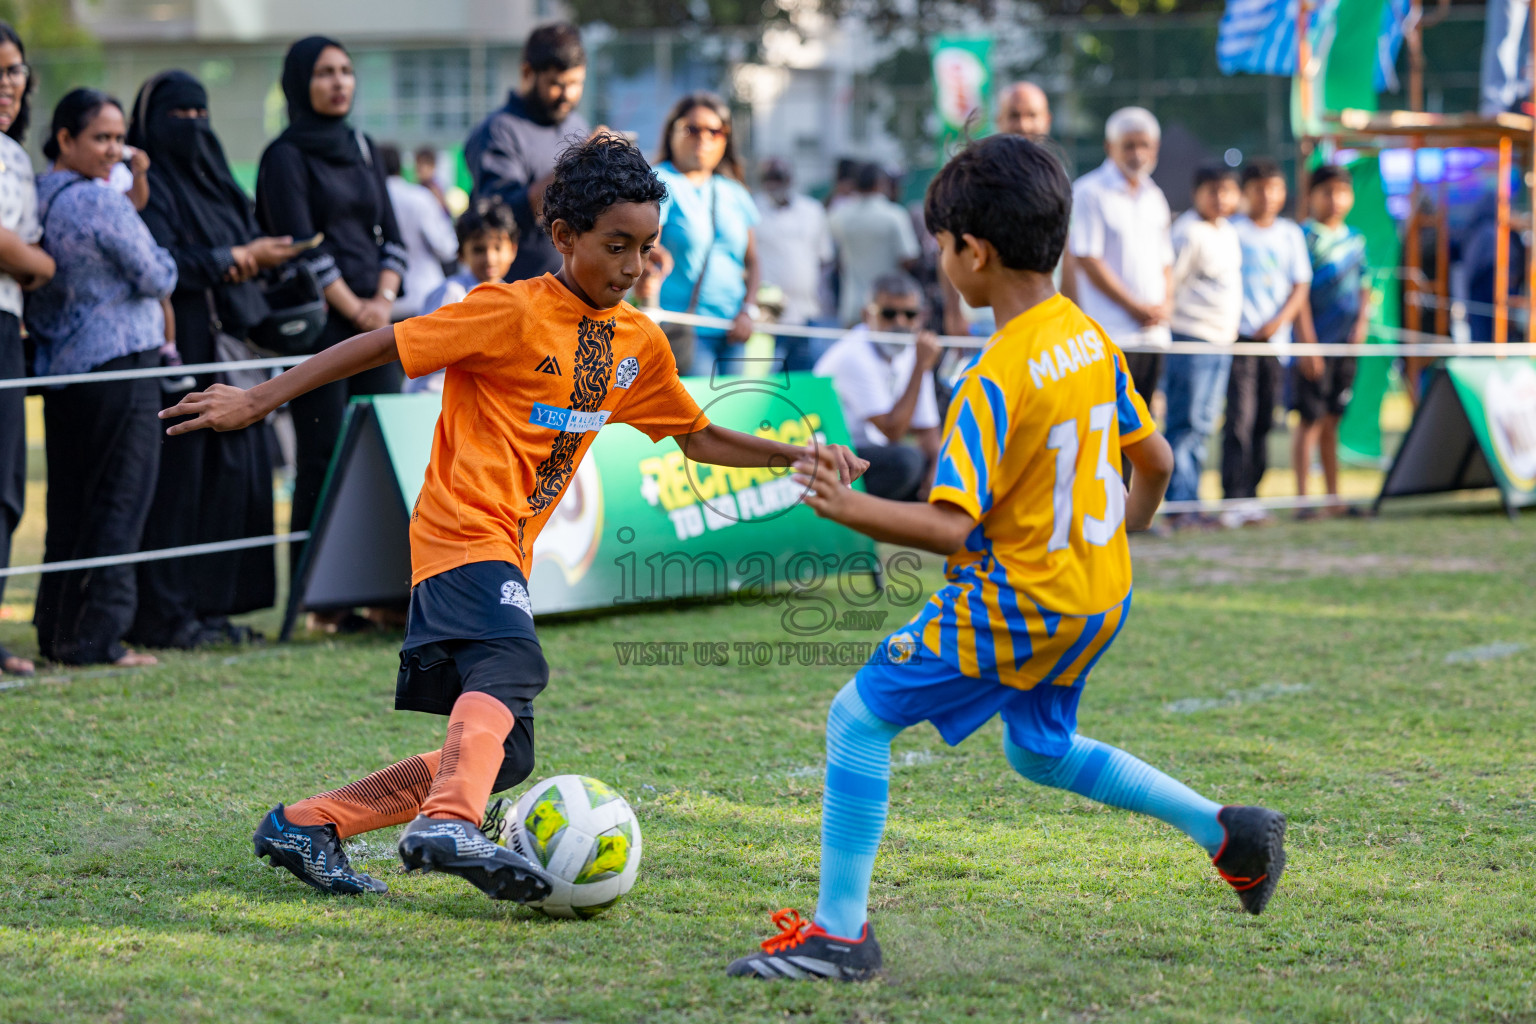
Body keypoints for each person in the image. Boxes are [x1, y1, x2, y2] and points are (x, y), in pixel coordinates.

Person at [162, 133, 867, 900]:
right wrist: (257, 400)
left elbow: (694, 433)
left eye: (647, 248)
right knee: (515, 665)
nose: (633, 267)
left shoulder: (637, 342)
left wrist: (792, 455)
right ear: (564, 238)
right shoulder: (508, 310)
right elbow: (381, 344)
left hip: (509, 547)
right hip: (462, 529)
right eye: (616, 246)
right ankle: (448, 821)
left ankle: (310, 822)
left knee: (509, 756)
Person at [726, 134, 1287, 982]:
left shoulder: (995, 375)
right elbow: (1159, 462)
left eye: (942, 246)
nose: (941, 260)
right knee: (1037, 748)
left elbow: (953, 532)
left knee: (857, 717)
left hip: (1019, 602)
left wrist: (848, 508)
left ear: (972, 253)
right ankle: (1230, 833)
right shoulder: (1090, 339)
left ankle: (840, 937)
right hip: (1099, 593)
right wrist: (1114, 534)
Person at [123, 71, 301, 651]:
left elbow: (243, 235)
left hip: (233, 358)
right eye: (180, 116)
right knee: (181, 485)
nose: (194, 127)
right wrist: (236, 258)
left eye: (201, 114)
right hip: (179, 355)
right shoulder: (145, 188)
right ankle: (166, 614)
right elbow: (163, 257)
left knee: (233, 482)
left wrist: (259, 258)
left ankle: (212, 608)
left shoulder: (216, 182)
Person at [27, 89, 177, 667]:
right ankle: (99, 640)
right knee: (122, 498)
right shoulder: (98, 201)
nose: (113, 150)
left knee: (69, 507)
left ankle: (59, 632)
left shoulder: (41, 195)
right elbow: (156, 272)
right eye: (100, 138)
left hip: (64, 370)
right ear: (65, 138)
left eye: (118, 138)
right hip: (121, 366)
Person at [256, 36, 408, 605]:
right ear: (300, 83)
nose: (339, 82)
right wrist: (359, 310)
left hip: (377, 324)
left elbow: (392, 237)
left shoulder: (364, 147)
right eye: (324, 73)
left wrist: (383, 302)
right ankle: (314, 597)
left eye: (346, 70)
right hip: (323, 326)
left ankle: (379, 592)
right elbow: (303, 246)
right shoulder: (284, 156)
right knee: (320, 455)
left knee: (380, 454)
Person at [0, 21, 53, 676]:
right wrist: (34, 261)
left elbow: (30, 257)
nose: (7, 83)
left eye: (14, 69)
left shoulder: (13, 156)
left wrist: (30, 262)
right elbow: (21, 251)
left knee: (6, 488)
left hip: (7, 326)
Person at [942, 80, 1075, 339]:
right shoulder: (974, 174)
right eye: (1014, 115)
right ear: (998, 119)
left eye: (1031, 115)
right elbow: (949, 243)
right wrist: (953, 313)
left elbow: (1068, 251)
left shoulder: (1058, 179)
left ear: (1047, 120)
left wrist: (1070, 312)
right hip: (982, 320)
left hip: (1041, 317)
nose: (1023, 125)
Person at [1221, 158, 1312, 525]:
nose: (1267, 196)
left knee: (1263, 421)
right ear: (1246, 192)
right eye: (1259, 188)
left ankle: (1253, 497)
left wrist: (1278, 322)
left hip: (1276, 343)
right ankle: (1232, 498)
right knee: (1239, 419)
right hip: (1239, 339)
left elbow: (1299, 286)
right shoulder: (1232, 231)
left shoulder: (1290, 234)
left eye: (1274, 187)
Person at [465, 21, 589, 283]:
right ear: (527, 73)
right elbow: (502, 217)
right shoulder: (499, 131)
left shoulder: (577, 125)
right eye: (557, 84)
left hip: (572, 293)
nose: (568, 94)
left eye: (576, 83)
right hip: (518, 295)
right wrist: (577, 161)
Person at [1070, 106, 1173, 411]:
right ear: (1109, 147)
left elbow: (1166, 262)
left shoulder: (1155, 195)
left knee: (1142, 428)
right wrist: (1135, 307)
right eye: (1129, 145)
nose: (1138, 154)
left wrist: (1164, 305)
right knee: (1108, 428)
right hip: (1110, 336)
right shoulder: (1089, 192)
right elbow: (1088, 259)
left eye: (1145, 146)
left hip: (1152, 335)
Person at [652, 92, 760, 377]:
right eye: (692, 129)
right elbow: (645, 250)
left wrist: (749, 311)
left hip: (734, 330)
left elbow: (753, 262)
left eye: (715, 131)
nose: (704, 138)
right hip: (683, 329)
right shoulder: (658, 181)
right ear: (671, 132)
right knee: (701, 419)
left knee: (735, 415)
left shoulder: (734, 191)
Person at [813, 272, 941, 501]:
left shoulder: (914, 350)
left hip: (864, 455)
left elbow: (928, 429)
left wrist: (938, 474)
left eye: (909, 314)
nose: (899, 323)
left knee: (938, 465)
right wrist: (921, 366)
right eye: (888, 314)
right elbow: (892, 431)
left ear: (921, 318)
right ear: (866, 315)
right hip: (830, 456)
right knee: (907, 461)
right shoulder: (854, 354)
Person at [1162, 165, 1243, 528]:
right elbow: (1170, 284)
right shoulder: (1187, 232)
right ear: (1197, 193)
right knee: (1186, 421)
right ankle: (1180, 504)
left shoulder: (1228, 231)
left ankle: (1193, 500)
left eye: (1227, 190)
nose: (1220, 198)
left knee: (1205, 423)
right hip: (1190, 337)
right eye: (1213, 190)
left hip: (1221, 340)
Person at [1291, 165, 1370, 514]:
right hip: (1314, 346)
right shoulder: (1303, 238)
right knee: (1310, 419)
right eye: (1327, 192)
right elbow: (1299, 296)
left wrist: (1362, 323)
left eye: (1342, 192)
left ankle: (1333, 497)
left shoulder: (1356, 238)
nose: (1335, 200)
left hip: (1346, 346)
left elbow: (1366, 285)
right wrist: (1308, 345)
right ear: (1311, 196)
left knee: (1333, 419)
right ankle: (1303, 499)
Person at [404, 198, 519, 394]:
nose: (490, 258)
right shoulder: (452, 293)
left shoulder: (513, 297)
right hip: (435, 400)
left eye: (497, 248)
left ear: (513, 250)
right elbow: (425, 353)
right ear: (461, 254)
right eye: (479, 250)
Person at [754, 157, 833, 369]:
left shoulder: (812, 211)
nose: (774, 183)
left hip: (805, 312)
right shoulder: (753, 210)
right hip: (766, 316)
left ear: (790, 179)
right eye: (769, 178)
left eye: (779, 177)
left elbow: (824, 258)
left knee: (803, 379)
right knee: (766, 382)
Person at [828, 163, 920, 328]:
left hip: (852, 305)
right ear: (880, 183)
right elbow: (909, 258)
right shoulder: (894, 215)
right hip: (888, 309)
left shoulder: (840, 216)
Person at [381, 143, 458, 320]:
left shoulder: (369, 199)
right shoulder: (420, 196)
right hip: (425, 297)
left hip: (381, 302)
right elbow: (447, 248)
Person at [414, 146, 451, 216]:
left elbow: (443, 215)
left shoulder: (433, 189)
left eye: (422, 165)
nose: (418, 168)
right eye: (417, 164)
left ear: (432, 166)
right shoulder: (419, 186)